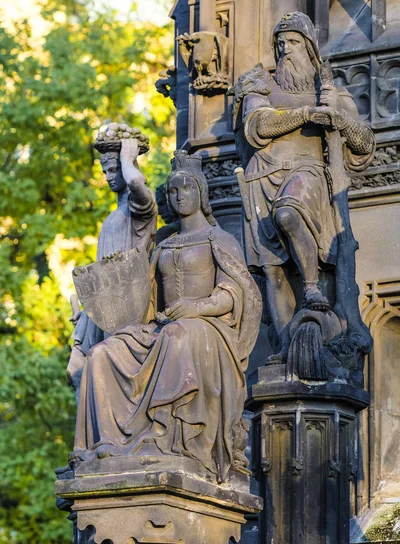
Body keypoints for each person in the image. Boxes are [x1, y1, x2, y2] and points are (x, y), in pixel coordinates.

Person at [71, 151, 262, 483]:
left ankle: (165, 439)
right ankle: (105, 445)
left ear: (201, 193)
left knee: (177, 336)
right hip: (160, 326)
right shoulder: (163, 244)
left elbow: (237, 292)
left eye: (186, 188)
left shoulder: (220, 239)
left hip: (206, 329)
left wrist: (197, 308)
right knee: (102, 354)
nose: (178, 196)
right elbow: (144, 297)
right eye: (173, 191)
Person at [229, 12, 375, 363]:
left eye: (293, 42)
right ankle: (282, 349)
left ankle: (311, 289)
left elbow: (365, 142)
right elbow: (258, 125)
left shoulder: (332, 92)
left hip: (308, 172)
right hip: (261, 179)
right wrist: (307, 114)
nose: (284, 50)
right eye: (280, 44)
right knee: (272, 271)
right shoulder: (260, 85)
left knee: (289, 213)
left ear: (309, 47)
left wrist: (338, 120)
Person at [67, 130, 157, 400]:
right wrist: (89, 311)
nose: (107, 177)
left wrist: (128, 160)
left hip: (130, 305)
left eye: (114, 170)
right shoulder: (111, 218)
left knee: (111, 370)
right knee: (76, 371)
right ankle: (97, 436)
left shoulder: (140, 210)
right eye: (105, 171)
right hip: (107, 303)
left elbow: (138, 187)